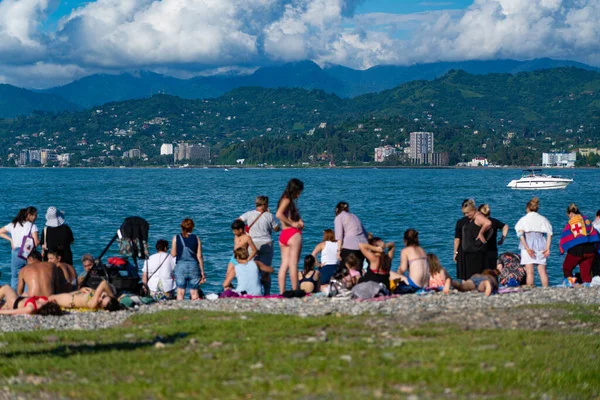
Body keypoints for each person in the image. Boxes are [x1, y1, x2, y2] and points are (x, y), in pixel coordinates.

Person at [239, 196, 280, 295]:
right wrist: (270, 215)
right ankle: (266, 293)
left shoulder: (248, 214)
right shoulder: (269, 216)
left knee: (252, 270)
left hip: (252, 245)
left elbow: (237, 221)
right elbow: (277, 229)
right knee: (265, 271)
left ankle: (252, 292)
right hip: (266, 244)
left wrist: (245, 231)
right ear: (265, 204)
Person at [515, 197, 553, 287]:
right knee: (542, 271)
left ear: (527, 208)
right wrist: (547, 248)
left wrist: (527, 248)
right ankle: (546, 289)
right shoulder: (543, 219)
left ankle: (530, 290)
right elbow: (549, 234)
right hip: (541, 244)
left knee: (530, 271)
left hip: (527, 243)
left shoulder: (523, 220)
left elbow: (520, 235)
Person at [558, 203, 600, 285]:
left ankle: (570, 284)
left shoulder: (570, 223)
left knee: (567, 268)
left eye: (568, 216)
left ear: (570, 213)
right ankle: (587, 287)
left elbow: (565, 237)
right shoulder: (586, 220)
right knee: (585, 273)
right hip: (590, 250)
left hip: (577, 250)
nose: (569, 217)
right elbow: (595, 234)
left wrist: (562, 249)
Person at [276, 178, 304, 294]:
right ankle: (295, 289)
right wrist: (293, 224)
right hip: (292, 233)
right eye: (299, 192)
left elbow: (290, 215)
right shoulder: (287, 200)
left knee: (284, 264)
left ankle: (282, 292)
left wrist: (299, 221)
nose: (299, 195)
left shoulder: (285, 200)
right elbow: (278, 214)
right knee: (293, 263)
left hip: (283, 235)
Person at [0, 207, 40, 290]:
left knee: (15, 276)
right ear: (28, 215)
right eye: (34, 215)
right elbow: (36, 243)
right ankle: (25, 298)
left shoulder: (13, 224)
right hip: (27, 253)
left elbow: (0, 232)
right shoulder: (33, 226)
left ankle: (14, 298)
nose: (36, 217)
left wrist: (11, 240)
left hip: (15, 252)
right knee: (27, 276)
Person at [172, 218, 206, 300]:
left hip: (181, 267)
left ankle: (179, 311)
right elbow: (199, 256)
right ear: (192, 227)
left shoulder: (176, 238)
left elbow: (173, 254)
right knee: (194, 292)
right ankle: (194, 310)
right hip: (194, 267)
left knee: (180, 292)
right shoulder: (196, 238)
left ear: (182, 227)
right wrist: (202, 272)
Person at [460, 200, 492, 279]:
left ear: (473, 210)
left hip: (475, 251)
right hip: (470, 251)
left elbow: (488, 223)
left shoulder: (478, 217)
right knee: (471, 275)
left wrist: (481, 233)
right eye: (464, 213)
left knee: (474, 274)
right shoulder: (473, 218)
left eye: (468, 212)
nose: (466, 215)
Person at [334, 202, 367, 271]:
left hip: (350, 246)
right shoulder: (354, 216)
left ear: (337, 209)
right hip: (363, 246)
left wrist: (338, 251)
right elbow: (365, 233)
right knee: (358, 270)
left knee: (344, 270)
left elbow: (339, 236)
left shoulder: (339, 217)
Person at [48, 280, 121, 311]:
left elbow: (104, 283)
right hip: (75, 294)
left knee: (48, 299)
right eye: (103, 297)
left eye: (100, 303)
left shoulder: (93, 303)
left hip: (69, 301)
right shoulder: (97, 297)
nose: (100, 299)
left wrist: (111, 296)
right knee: (48, 298)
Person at [478, 204, 509, 271]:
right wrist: (502, 239)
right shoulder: (494, 222)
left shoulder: (477, 222)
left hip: (478, 250)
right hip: (492, 250)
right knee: (491, 272)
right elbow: (505, 226)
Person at [454, 199, 472, 279]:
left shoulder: (460, 222)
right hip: (476, 248)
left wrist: (455, 252)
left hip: (463, 249)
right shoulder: (477, 220)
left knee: (464, 275)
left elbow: (457, 239)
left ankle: (466, 288)